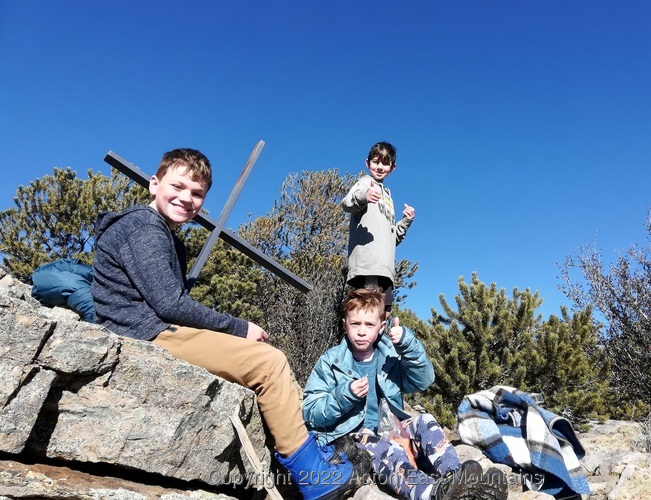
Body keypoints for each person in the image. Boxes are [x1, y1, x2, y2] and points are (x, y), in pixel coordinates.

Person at [91, 148, 355, 500]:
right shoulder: (143, 227)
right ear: (154, 184)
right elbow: (170, 305)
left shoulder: (165, 235)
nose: (186, 198)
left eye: (197, 193)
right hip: (144, 333)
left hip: (154, 327)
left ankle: (307, 449)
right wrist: (238, 327)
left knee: (263, 355)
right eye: (178, 186)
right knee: (269, 362)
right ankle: (314, 477)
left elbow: (170, 301)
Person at [303, 287, 507, 500]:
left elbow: (424, 379)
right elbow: (310, 412)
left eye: (369, 324)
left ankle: (458, 483)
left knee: (425, 421)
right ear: (345, 325)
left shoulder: (390, 355)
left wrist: (408, 346)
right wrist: (344, 395)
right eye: (355, 324)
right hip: (355, 437)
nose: (362, 331)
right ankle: (432, 493)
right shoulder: (331, 361)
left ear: (381, 327)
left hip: (393, 426)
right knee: (387, 449)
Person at [342, 141, 415, 316]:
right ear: (367, 163)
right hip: (369, 265)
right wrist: (364, 197)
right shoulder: (366, 183)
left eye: (385, 163)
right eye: (376, 162)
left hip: (385, 269)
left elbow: (392, 239)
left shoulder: (388, 197)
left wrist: (406, 221)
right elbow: (347, 203)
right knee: (368, 315)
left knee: (384, 315)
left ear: (393, 167)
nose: (380, 167)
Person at [32, 258, 96, 322]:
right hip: (69, 285)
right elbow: (94, 274)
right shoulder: (72, 270)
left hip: (39, 289)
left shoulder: (58, 266)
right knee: (94, 308)